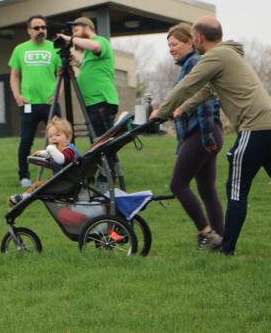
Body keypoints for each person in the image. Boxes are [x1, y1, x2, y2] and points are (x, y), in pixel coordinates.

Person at [151, 16, 271, 255]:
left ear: (199, 38)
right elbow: (206, 90)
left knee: (236, 189)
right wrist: (181, 109)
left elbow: (187, 85)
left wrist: (159, 113)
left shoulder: (215, 56)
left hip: (255, 127)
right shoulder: (229, 55)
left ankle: (226, 250)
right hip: (267, 125)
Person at [165, 23, 224, 250]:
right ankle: (221, 240)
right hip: (203, 132)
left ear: (191, 41)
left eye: (175, 44)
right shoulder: (186, 66)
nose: (171, 49)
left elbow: (206, 100)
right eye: (169, 45)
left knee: (178, 184)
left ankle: (207, 233)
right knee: (207, 190)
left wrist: (207, 137)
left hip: (203, 132)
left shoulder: (195, 64)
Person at [56, 16, 123, 182]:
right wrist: (77, 63)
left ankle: (107, 176)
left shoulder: (100, 41)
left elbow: (95, 46)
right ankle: (108, 173)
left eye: (76, 30)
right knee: (98, 140)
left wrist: (68, 39)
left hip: (101, 101)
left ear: (87, 27)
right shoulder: (87, 55)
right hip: (94, 103)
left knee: (102, 142)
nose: (74, 35)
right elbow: (94, 69)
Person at [9, 14, 61, 188]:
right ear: (29, 30)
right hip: (28, 104)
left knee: (58, 139)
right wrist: (17, 95)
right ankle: (24, 176)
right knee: (26, 140)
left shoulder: (55, 48)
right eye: (37, 28)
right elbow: (14, 76)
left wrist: (57, 93)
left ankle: (60, 172)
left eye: (44, 27)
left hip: (50, 104)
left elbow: (62, 74)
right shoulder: (20, 49)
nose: (41, 31)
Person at [8, 117, 80, 206]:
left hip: (66, 185)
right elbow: (55, 156)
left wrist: (51, 148)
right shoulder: (60, 151)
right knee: (38, 185)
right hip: (63, 183)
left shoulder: (69, 151)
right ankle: (24, 197)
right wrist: (43, 153)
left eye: (57, 135)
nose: (53, 138)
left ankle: (23, 197)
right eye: (50, 136)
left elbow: (61, 159)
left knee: (39, 186)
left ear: (68, 138)